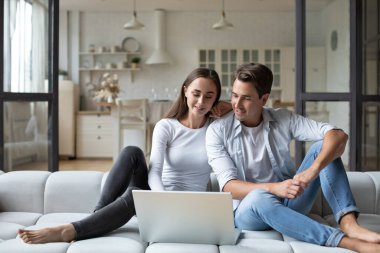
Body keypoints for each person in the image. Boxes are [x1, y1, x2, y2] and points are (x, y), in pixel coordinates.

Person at [18, 67, 230, 244]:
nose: (201, 101)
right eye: (196, 93)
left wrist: (228, 105)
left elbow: (250, 109)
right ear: (185, 91)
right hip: (160, 195)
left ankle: (73, 229)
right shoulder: (167, 126)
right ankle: (96, 216)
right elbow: (155, 170)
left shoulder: (216, 128)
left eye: (209, 96)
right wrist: (164, 199)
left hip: (188, 207)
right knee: (132, 153)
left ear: (216, 99)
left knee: (133, 194)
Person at [205, 63, 380, 253]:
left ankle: (348, 222)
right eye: (234, 95)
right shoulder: (218, 130)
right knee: (258, 197)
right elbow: (228, 185)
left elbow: (338, 136)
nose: (236, 105)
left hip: (290, 202)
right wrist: (275, 188)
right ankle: (345, 242)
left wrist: (312, 172)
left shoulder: (282, 118)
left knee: (324, 146)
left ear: (264, 99)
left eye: (246, 98)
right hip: (248, 211)